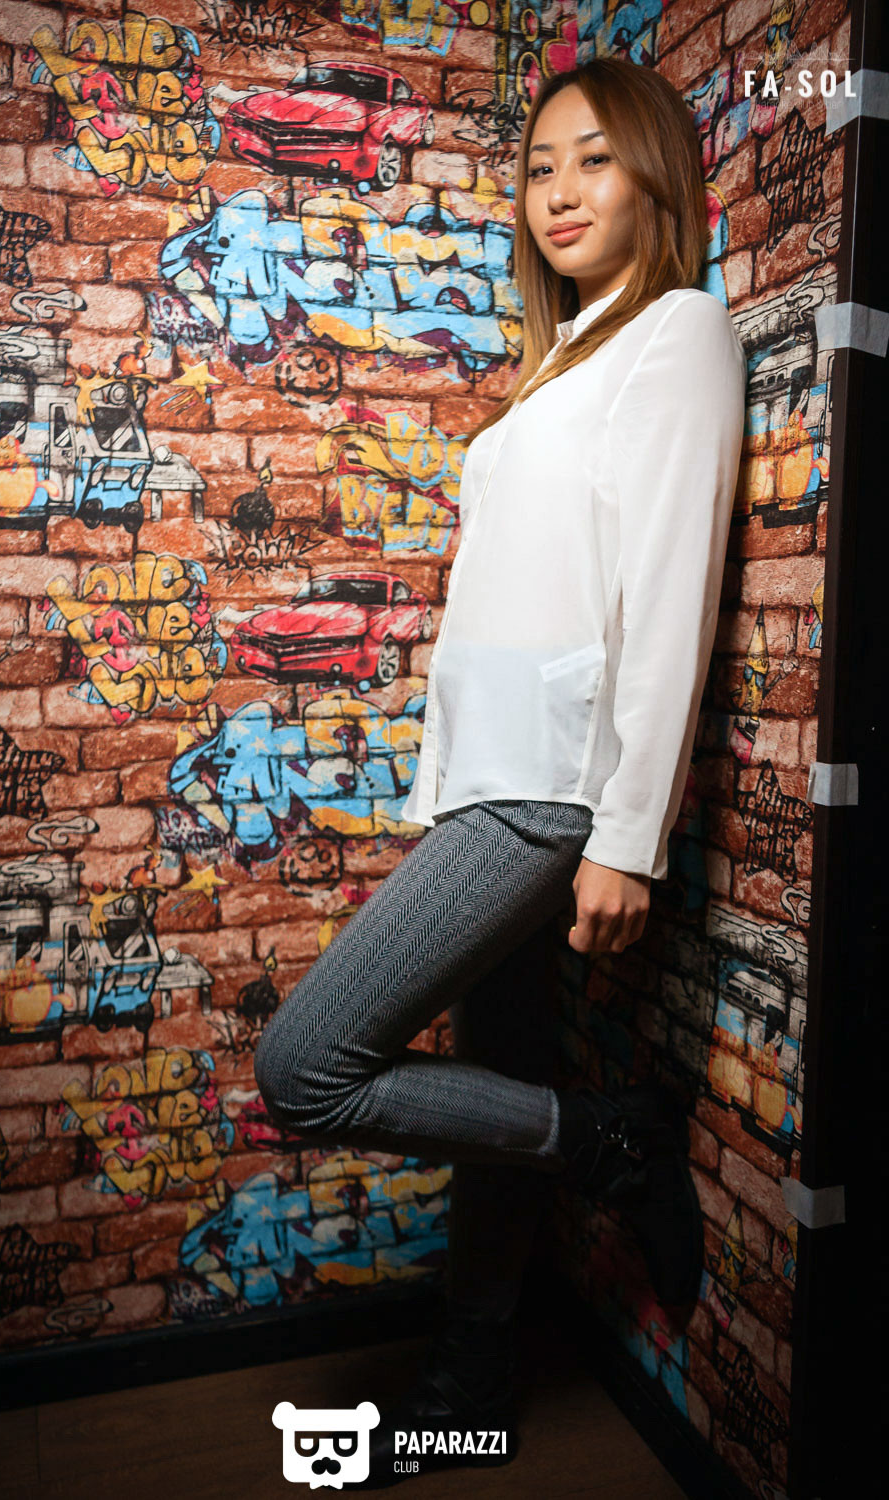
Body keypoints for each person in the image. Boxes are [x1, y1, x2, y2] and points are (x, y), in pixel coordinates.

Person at [254, 56, 747, 1490]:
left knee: (305, 1068)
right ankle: (470, 1386)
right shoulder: (566, 358)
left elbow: (672, 592)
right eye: (538, 169)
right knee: (502, 1073)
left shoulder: (679, 331)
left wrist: (628, 835)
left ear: (655, 175)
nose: (559, 193)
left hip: (550, 784)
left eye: (593, 160)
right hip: (488, 774)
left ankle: (608, 1142)